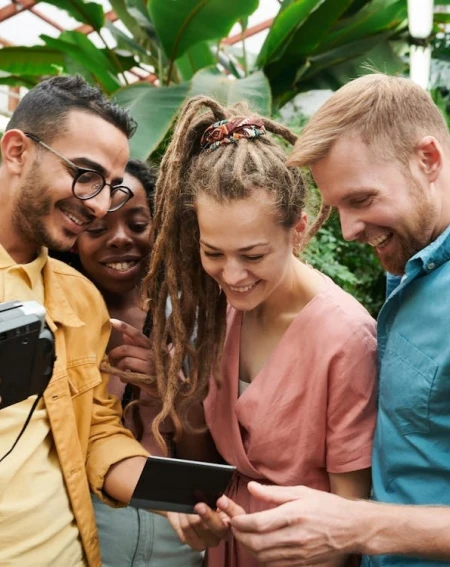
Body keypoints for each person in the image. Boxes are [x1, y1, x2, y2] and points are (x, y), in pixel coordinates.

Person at [217, 73, 450, 567]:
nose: (346, 231)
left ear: (427, 159)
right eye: (337, 206)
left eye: (361, 200)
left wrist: (359, 525)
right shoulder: (416, 266)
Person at [141, 95, 379, 567]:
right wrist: (197, 516)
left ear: (298, 230)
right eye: (213, 253)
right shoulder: (217, 313)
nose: (231, 276)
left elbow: (349, 517)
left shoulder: (347, 339)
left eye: (252, 255)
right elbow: (209, 460)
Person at [0, 75, 150, 567]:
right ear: (17, 151)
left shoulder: (80, 300)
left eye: (110, 188)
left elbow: (93, 430)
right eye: (84, 175)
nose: (99, 205)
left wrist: (174, 497)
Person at [61, 158, 203, 566]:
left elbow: (205, 460)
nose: (121, 239)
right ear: (72, 237)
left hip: (177, 545)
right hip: (85, 543)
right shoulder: (59, 319)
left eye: (138, 225)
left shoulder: (195, 322)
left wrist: (172, 397)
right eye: (98, 228)